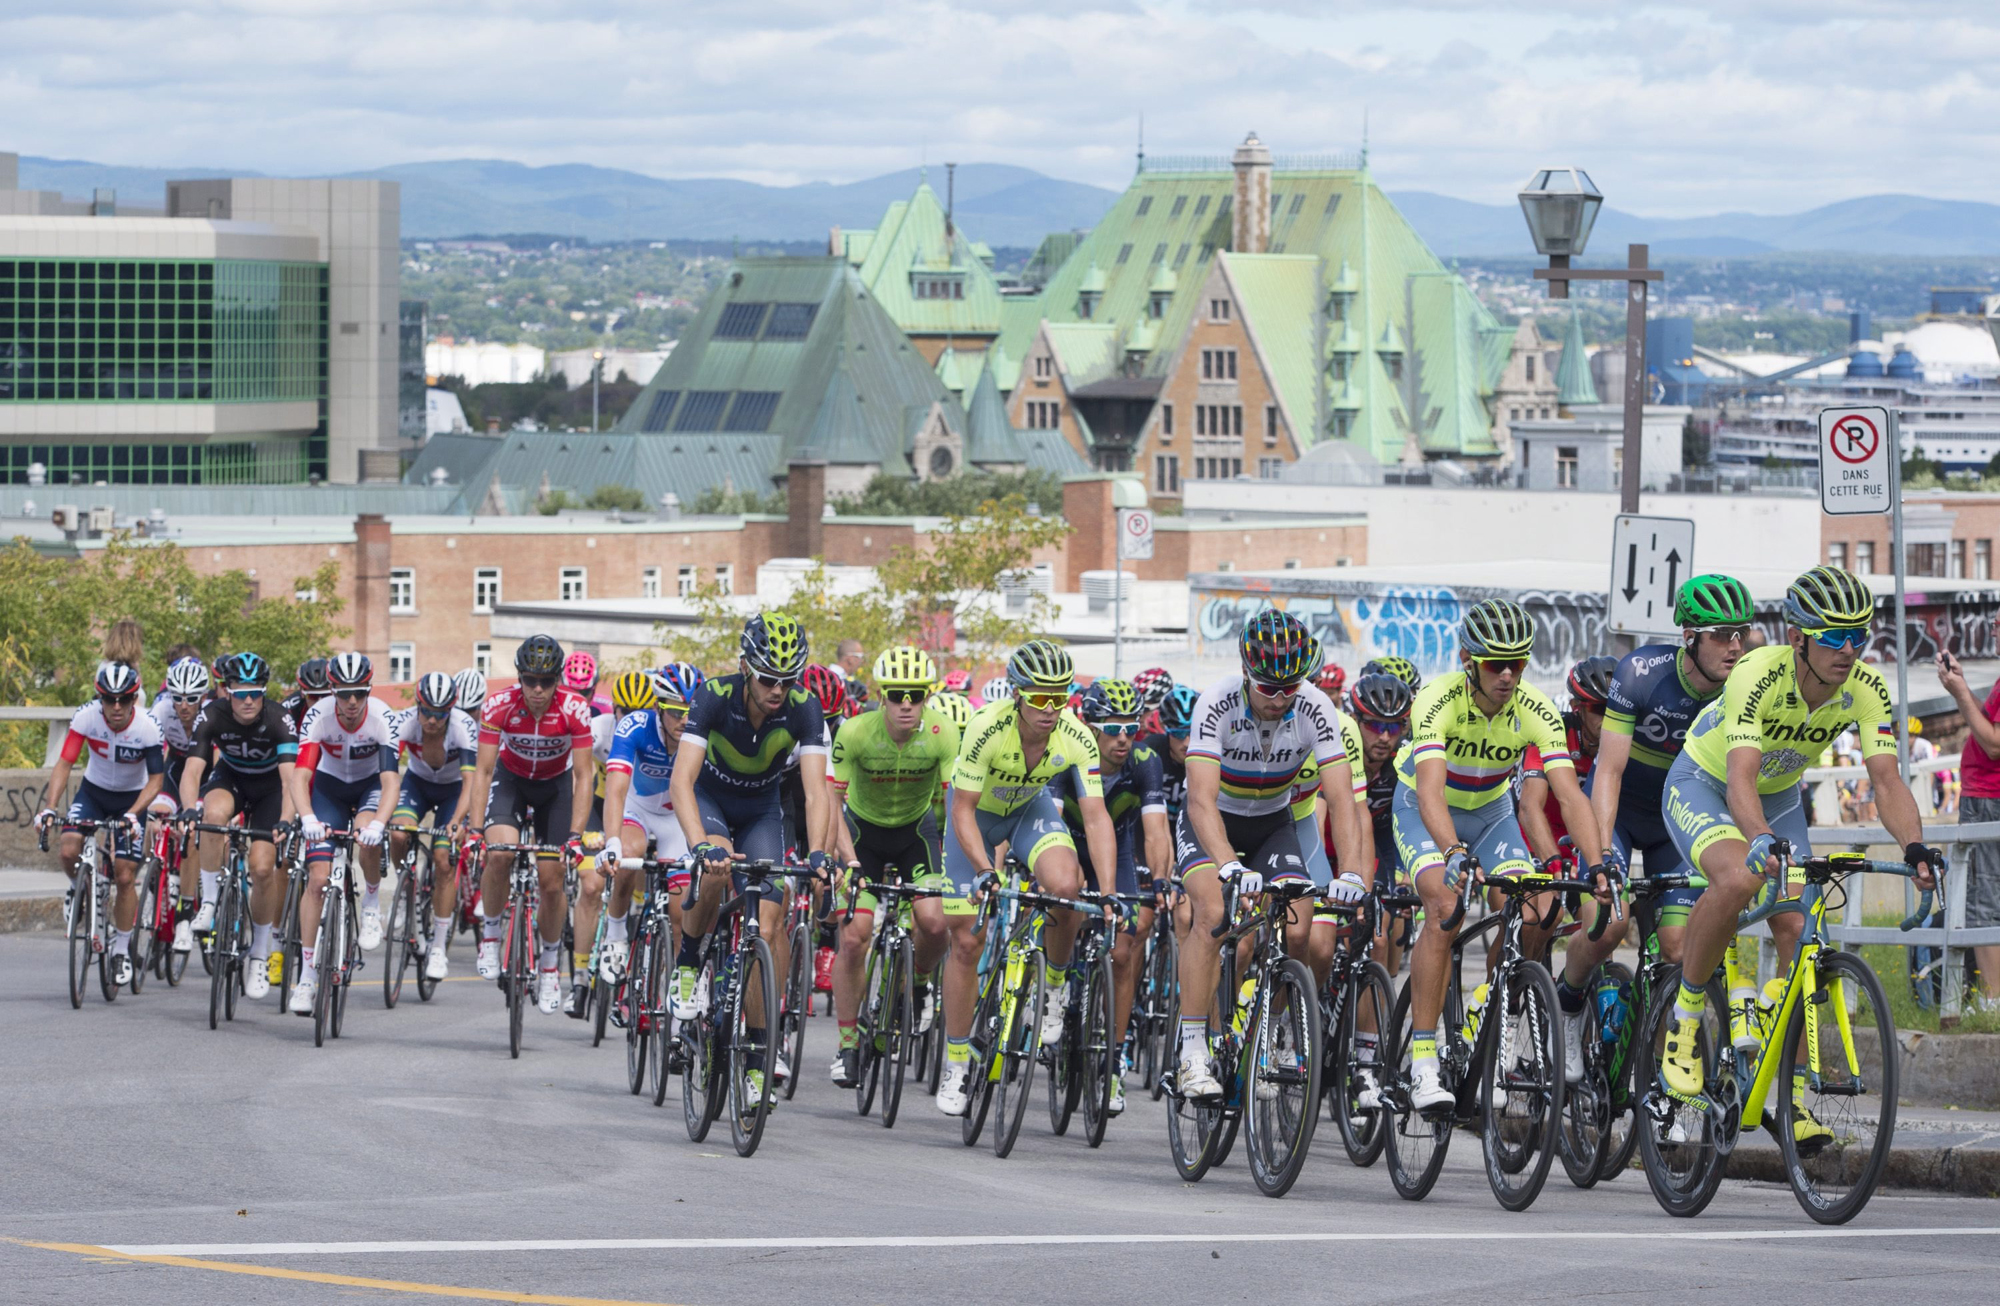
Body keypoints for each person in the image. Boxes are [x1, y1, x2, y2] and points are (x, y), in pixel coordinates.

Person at [1661, 566, 1941, 1145]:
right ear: (1798, 638)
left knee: (1802, 926)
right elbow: (1740, 778)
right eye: (1833, 636)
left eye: (1858, 636)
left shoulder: (1866, 688)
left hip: (1780, 796)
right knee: (1739, 879)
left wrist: (1915, 847)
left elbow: (1886, 781)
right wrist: (1759, 837)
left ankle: (1785, 1097)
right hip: (1706, 782)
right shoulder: (1755, 675)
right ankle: (1685, 1019)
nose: (1849, 649)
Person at [1392, 599, 1610, 1111]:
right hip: (1426, 810)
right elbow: (1428, 794)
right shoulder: (1435, 701)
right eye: (1496, 663)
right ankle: (1423, 1062)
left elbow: (1568, 793)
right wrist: (1452, 852)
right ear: (1469, 660)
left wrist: (1595, 860)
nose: (1509, 675)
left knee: (1539, 908)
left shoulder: (1534, 709)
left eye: (1519, 662)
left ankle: (1484, 1012)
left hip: (1491, 814)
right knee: (1446, 906)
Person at [1173, 611, 1368, 1099]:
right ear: (1245, 671)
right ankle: (1192, 1047)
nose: (1281, 699)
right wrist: (1228, 865)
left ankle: (1276, 1032)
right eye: (1268, 688)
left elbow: (1342, 799)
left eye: (1290, 687)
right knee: (1213, 913)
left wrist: (1350, 872)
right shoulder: (1215, 703)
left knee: (1300, 929)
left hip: (1274, 823)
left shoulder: (1315, 707)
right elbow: (1199, 800)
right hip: (1212, 819)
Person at [933, 639, 1117, 1115]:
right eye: (1039, 697)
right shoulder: (986, 727)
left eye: (1060, 698)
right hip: (975, 821)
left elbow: (1096, 818)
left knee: (1066, 888)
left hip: (1027, 814)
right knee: (968, 942)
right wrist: (984, 871)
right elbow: (963, 809)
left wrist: (1112, 892)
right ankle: (955, 1063)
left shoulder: (1075, 735)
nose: (1050, 708)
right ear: (1017, 694)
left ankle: (1053, 986)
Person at [669, 613, 832, 1098]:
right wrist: (698, 842)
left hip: (762, 810)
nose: (777, 689)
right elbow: (682, 780)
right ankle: (690, 961)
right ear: (745, 667)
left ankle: (760, 1056)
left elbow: (816, 793)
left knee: (767, 925)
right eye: (767, 678)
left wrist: (819, 853)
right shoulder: (713, 697)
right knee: (717, 867)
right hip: (712, 801)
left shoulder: (805, 709)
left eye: (787, 679)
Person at [1586, 574, 1752, 971]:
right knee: (1610, 926)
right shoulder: (1642, 673)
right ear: (1690, 636)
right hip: (1619, 814)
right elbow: (1608, 771)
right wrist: (1604, 852)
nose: (1735, 647)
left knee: (1678, 949)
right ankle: (1571, 1000)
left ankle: (1662, 1028)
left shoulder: (1745, 686)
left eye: (1741, 633)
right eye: (1721, 634)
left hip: (1675, 820)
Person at [825, 646, 959, 1088]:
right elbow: (832, 803)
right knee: (854, 935)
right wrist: (848, 861)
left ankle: (919, 983)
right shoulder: (856, 731)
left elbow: (957, 806)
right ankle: (847, 1044)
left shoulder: (943, 733)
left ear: (927, 697)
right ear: (882, 695)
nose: (906, 703)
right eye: (898, 694)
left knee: (936, 923)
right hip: (861, 835)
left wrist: (959, 865)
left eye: (916, 695)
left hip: (914, 836)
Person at [1048, 678, 1171, 1117]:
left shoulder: (1145, 762)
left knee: (1123, 949)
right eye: (1114, 728)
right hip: (1065, 842)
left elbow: (1156, 830)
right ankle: (1053, 989)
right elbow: (1054, 822)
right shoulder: (1068, 754)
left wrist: (1160, 879)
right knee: (1063, 904)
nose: (1123, 738)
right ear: (1091, 726)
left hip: (1114, 851)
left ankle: (1114, 1060)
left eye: (1131, 728)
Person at [469, 635, 597, 1015]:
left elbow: (584, 777)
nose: (538, 690)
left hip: (556, 788)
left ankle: (549, 965)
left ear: (559, 680)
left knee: (551, 880)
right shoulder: (499, 705)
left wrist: (575, 836)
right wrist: (476, 831)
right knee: (500, 855)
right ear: (519, 678)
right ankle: (491, 933)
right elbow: (484, 770)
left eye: (546, 681)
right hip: (512, 781)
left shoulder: (575, 708)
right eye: (530, 680)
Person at [33, 662, 166, 990]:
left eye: (124, 699)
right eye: (108, 699)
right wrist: (50, 807)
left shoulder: (148, 727)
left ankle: (121, 949)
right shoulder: (86, 717)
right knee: (67, 849)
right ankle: (81, 888)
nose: (116, 707)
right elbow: (64, 764)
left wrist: (135, 813)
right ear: (100, 698)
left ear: (134, 699)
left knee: (124, 875)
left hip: (132, 800)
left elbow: (156, 780)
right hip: (93, 792)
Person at [1516, 654, 1617, 1082]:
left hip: (1582, 844)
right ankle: (1516, 990)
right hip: (1535, 837)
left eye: (1615, 709)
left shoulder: (1620, 742)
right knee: (1541, 913)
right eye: (1598, 710)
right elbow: (1532, 808)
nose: (1608, 718)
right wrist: (1552, 866)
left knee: (1606, 924)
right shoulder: (1553, 733)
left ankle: (1573, 1006)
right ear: (1578, 708)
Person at [176, 652, 299, 1000]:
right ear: (227, 690)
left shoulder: (280, 720)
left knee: (262, 869)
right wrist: (188, 808)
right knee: (212, 817)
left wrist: (286, 821)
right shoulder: (211, 714)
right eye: (241, 692)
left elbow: (291, 781)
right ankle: (211, 902)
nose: (248, 700)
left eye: (256, 692)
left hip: (270, 791)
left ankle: (259, 954)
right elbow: (192, 770)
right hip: (231, 778)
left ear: (264, 692)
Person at [286, 652, 401, 1014]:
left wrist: (381, 823)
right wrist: (306, 817)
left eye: (360, 693)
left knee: (366, 831)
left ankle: (369, 904)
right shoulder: (317, 716)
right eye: (344, 693)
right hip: (329, 788)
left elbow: (391, 782)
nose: (352, 702)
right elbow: (301, 776)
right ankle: (306, 977)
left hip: (369, 787)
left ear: (369, 691)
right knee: (317, 881)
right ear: (332, 691)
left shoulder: (383, 718)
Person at [599, 665, 698, 988]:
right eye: (675, 711)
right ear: (658, 707)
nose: (684, 719)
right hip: (637, 809)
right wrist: (611, 841)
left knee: (681, 913)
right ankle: (615, 935)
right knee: (628, 853)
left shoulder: (701, 733)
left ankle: (677, 990)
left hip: (676, 819)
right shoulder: (634, 726)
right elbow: (615, 789)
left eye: (690, 711)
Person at [387, 671, 477, 982]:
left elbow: (471, 783)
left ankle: (438, 946)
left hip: (453, 791)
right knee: (398, 833)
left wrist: (456, 823)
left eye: (440, 714)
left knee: (444, 861)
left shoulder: (464, 727)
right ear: (417, 705)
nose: (433, 720)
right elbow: (385, 773)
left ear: (451, 711)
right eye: (426, 711)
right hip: (418, 784)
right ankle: (404, 887)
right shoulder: (405, 722)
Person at [1934, 647, 2000, 1007]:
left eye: (1999, 624)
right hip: (1988, 797)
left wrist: (1959, 693)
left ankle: (1992, 1001)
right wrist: (1960, 688)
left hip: (1990, 799)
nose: (1993, 630)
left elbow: (1993, 744)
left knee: (1982, 900)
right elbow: (1988, 719)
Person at [283, 658, 331, 734]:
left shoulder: (345, 705)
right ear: (302, 693)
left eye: (326, 695)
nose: (320, 702)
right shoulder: (290, 709)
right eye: (313, 696)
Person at [564, 649, 610, 717]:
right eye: (571, 692)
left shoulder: (606, 708)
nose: (577, 700)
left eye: (584, 693)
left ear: (594, 689)